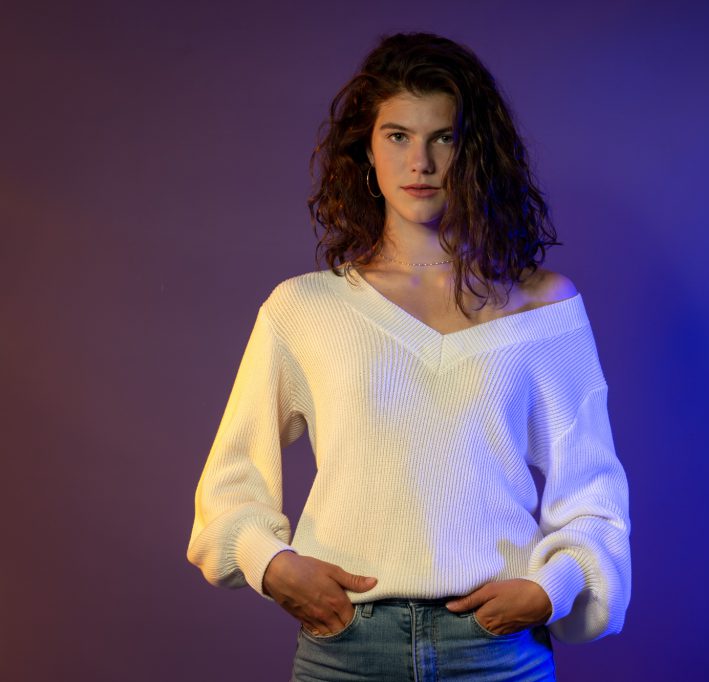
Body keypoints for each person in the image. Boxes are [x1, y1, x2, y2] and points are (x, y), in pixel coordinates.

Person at [186, 31, 631, 681]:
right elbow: (228, 491)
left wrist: (551, 588)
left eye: (442, 137)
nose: (419, 160)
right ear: (367, 151)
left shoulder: (543, 308)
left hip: (495, 650)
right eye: (397, 136)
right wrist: (274, 566)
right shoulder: (305, 309)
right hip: (346, 650)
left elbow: (593, 493)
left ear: (473, 151)